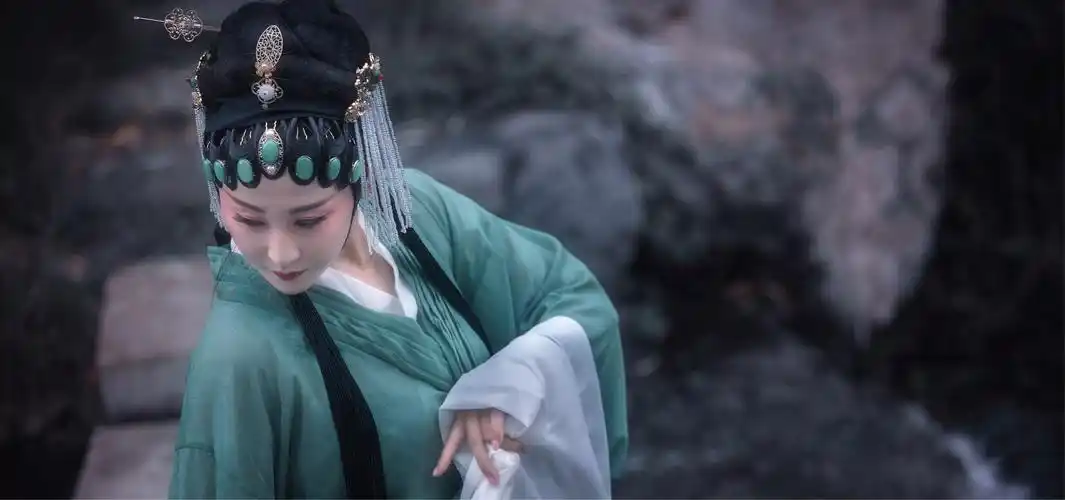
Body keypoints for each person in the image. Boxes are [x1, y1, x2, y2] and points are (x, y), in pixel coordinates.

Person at [158, 1, 628, 498]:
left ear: (362, 173)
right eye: (249, 220)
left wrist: (506, 390)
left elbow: (572, 299)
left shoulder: (415, 214)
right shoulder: (237, 358)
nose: (279, 254)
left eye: (309, 219)